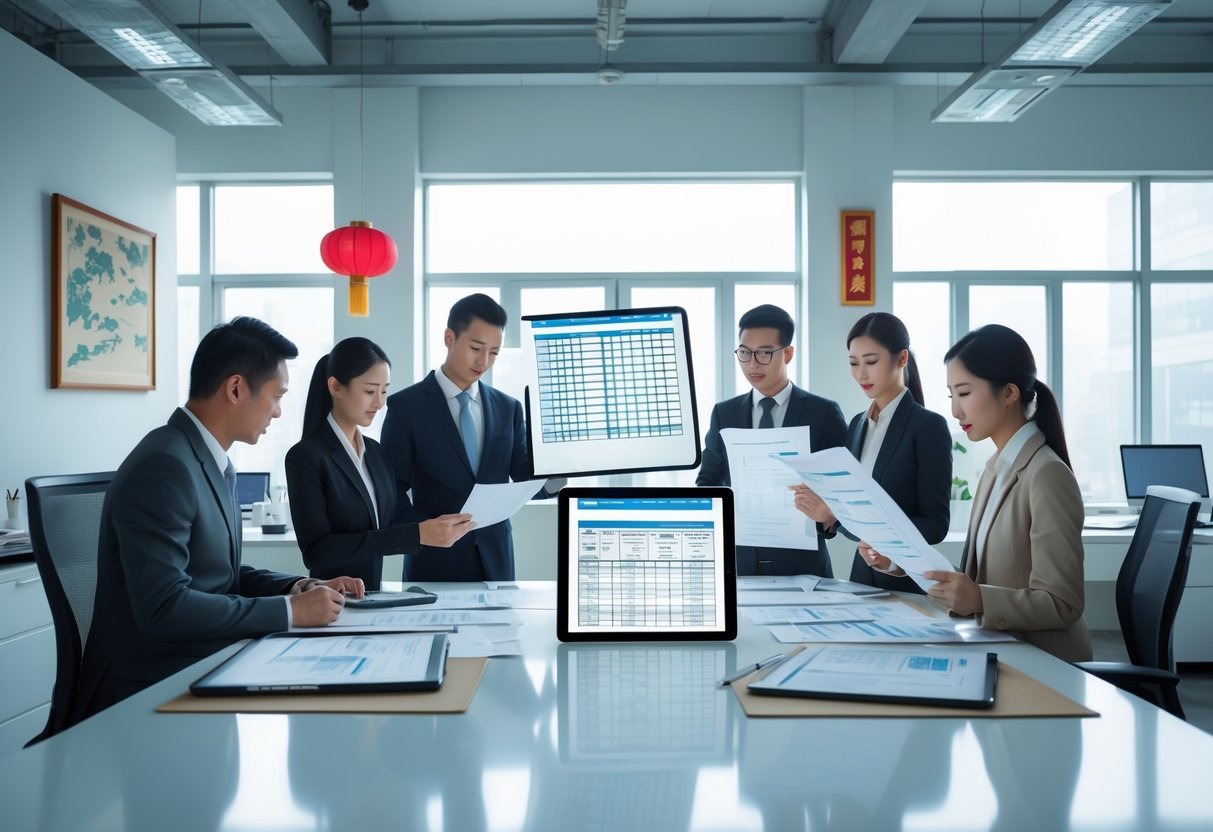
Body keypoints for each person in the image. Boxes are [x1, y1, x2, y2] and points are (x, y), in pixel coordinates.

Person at [75, 317, 365, 721]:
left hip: (201, 666)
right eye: (276, 396)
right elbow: (164, 607)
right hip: (149, 690)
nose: (279, 412)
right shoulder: (165, 464)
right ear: (235, 389)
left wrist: (298, 587)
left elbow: (219, 574)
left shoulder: (205, 460)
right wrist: (289, 612)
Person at [917, 323, 1091, 661]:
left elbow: (1063, 603)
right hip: (999, 652)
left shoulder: (1047, 474)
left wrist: (980, 600)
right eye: (952, 396)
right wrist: (906, 564)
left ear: (1009, 393)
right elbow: (983, 576)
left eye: (965, 393)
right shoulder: (996, 470)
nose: (955, 411)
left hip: (1045, 666)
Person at [381, 293, 554, 581]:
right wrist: (422, 530)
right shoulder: (406, 407)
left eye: (495, 352)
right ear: (449, 337)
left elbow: (526, 478)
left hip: (496, 561)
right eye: (476, 347)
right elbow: (391, 489)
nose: (484, 361)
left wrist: (559, 468)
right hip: (432, 561)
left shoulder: (508, 408)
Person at [285, 337, 473, 590]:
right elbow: (318, 550)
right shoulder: (306, 457)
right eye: (370, 391)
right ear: (336, 387)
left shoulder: (375, 453)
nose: (380, 403)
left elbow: (395, 518)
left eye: (384, 391)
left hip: (373, 597)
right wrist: (417, 534)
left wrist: (442, 525)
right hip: (331, 601)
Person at [790, 312, 951, 593]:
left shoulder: (928, 426)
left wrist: (875, 535)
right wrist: (828, 514)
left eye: (871, 362)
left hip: (908, 581)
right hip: (863, 577)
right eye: (854, 363)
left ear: (902, 359)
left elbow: (935, 524)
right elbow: (856, 516)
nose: (861, 373)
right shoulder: (857, 424)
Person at [696, 304, 847, 576]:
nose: (753, 363)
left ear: (788, 353)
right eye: (744, 352)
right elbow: (708, 480)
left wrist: (826, 516)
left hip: (804, 568)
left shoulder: (822, 413)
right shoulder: (724, 413)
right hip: (739, 563)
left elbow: (844, 487)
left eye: (764, 353)